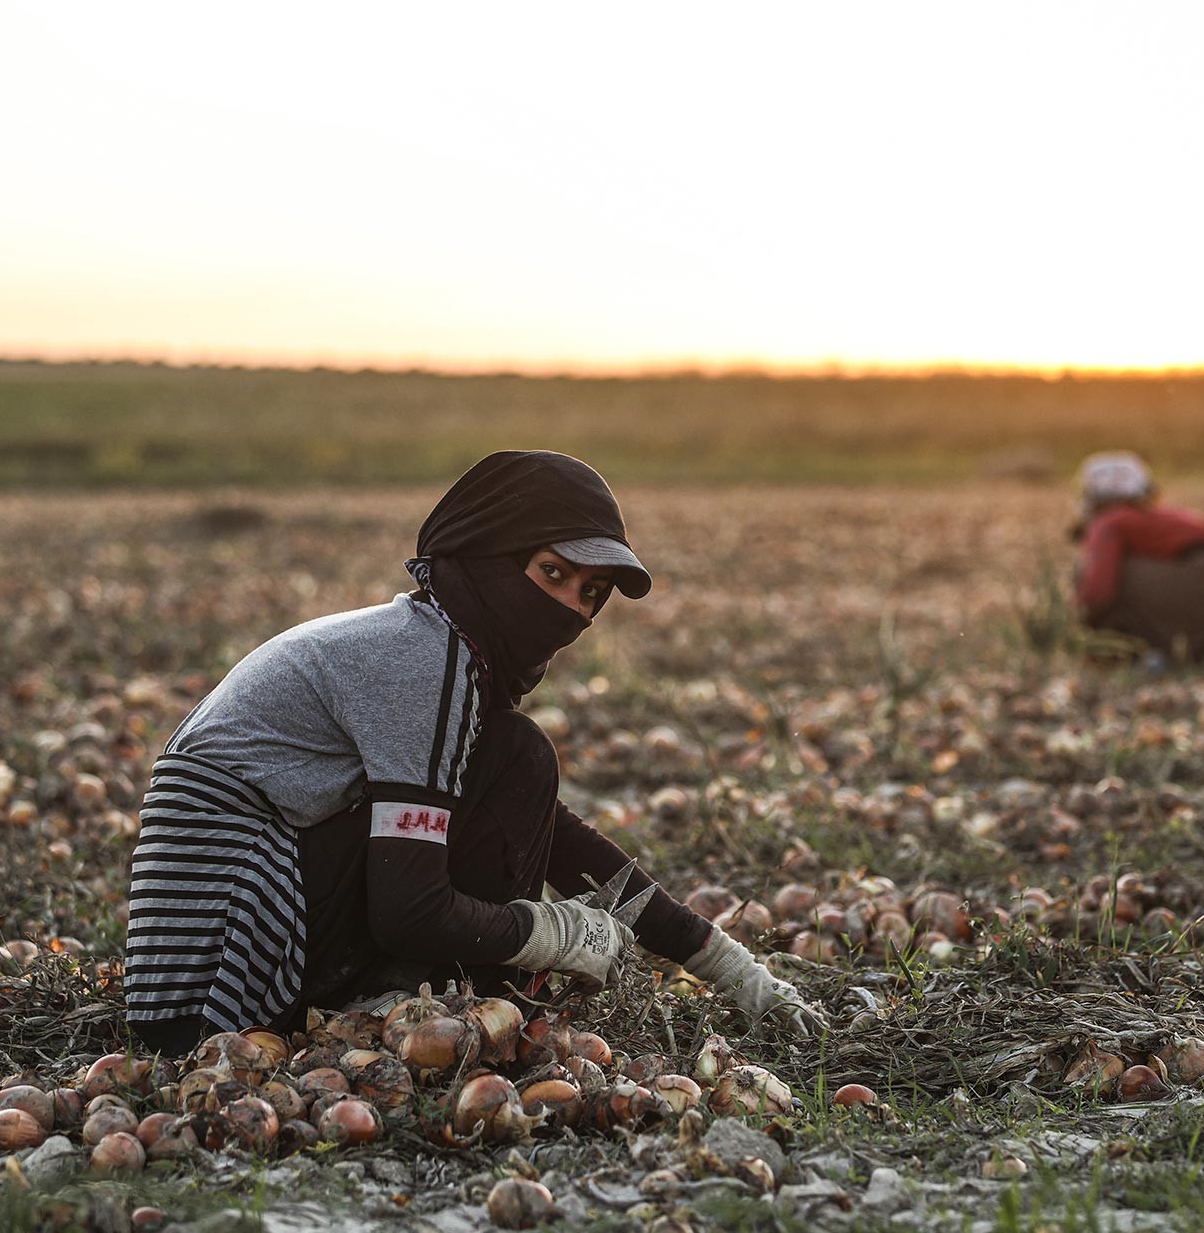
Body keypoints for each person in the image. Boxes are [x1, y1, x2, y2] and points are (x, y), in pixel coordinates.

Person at [125, 450, 819, 1055]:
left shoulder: (421, 645)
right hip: (221, 998)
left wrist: (731, 970)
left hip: (195, 985)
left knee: (513, 768)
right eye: (551, 573)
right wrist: (551, 933)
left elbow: (557, 842)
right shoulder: (424, 660)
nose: (571, 609)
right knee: (520, 756)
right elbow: (409, 909)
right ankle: (406, 1007)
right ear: (486, 557)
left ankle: (407, 1000)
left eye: (590, 593)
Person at [1069, 451, 1204, 665]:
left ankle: (1141, 653)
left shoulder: (1110, 521)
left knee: (1090, 574)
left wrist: (1069, 629)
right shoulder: (1165, 516)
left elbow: (1097, 592)